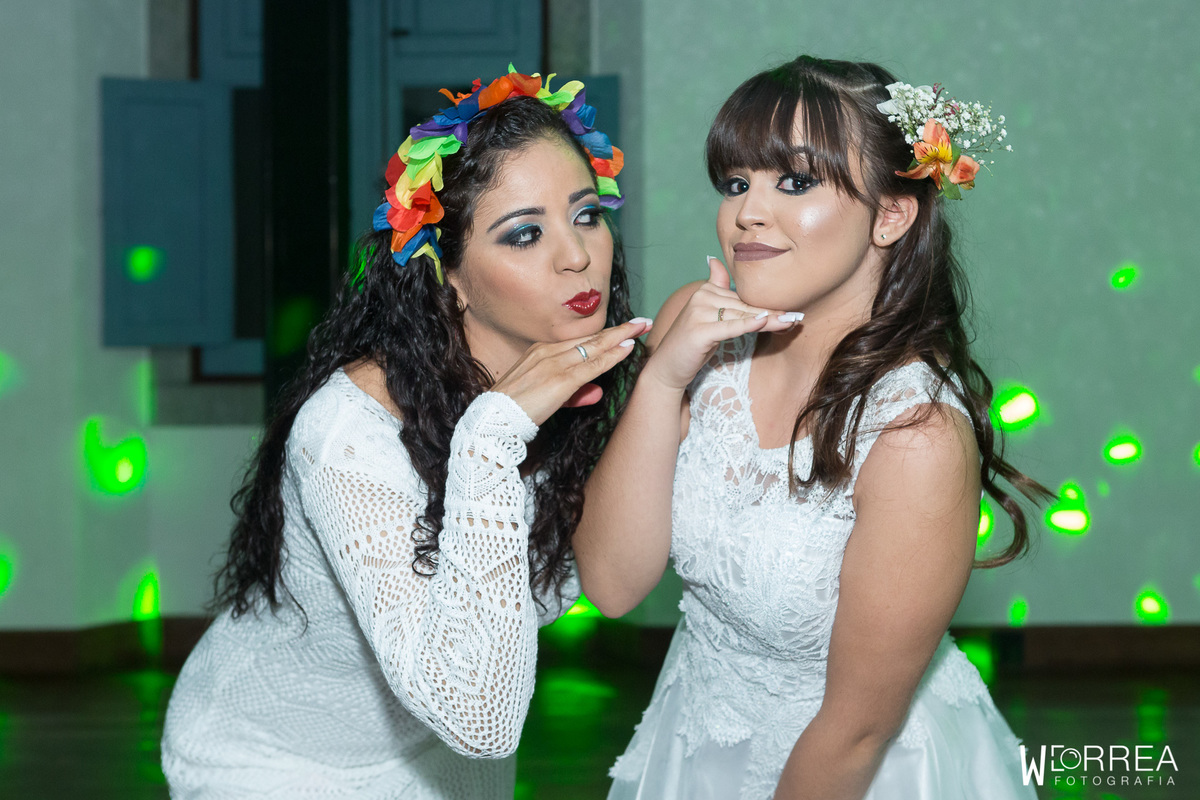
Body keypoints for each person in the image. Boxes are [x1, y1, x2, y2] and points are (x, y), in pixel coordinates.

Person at [161, 68, 651, 799]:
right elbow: (479, 717)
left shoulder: (582, 379)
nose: (576, 255)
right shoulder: (347, 432)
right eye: (524, 234)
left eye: (586, 215)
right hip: (276, 762)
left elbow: (612, 588)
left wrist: (664, 390)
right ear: (450, 277)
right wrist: (492, 436)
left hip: (443, 759)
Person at [573, 56, 1048, 799]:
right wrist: (663, 379)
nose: (747, 213)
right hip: (694, 736)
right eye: (737, 183)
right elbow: (610, 585)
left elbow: (856, 731)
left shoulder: (915, 435)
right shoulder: (694, 326)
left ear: (891, 215)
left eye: (795, 182)